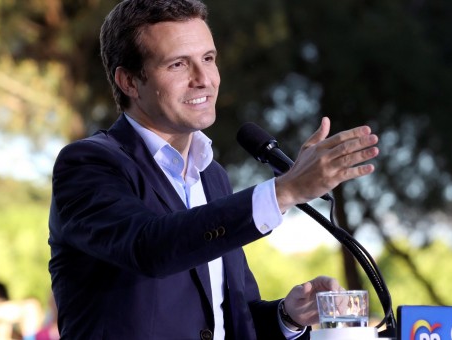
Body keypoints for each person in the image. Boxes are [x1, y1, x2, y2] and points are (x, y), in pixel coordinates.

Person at [47, 0, 380, 339]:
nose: (204, 79)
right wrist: (286, 190)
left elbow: (226, 319)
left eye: (208, 58)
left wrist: (288, 316)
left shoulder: (212, 175)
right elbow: (149, 248)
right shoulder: (87, 164)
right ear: (129, 81)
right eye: (178, 64)